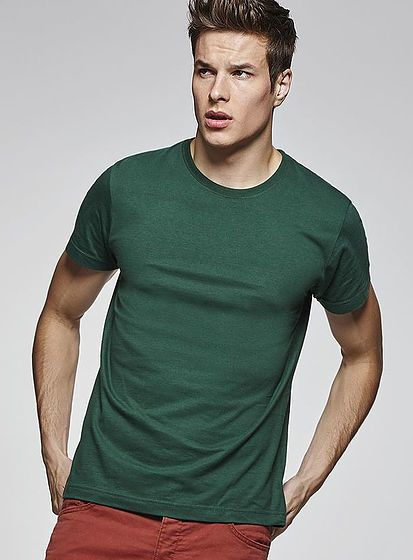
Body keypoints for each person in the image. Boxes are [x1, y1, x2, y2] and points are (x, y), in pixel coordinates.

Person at [33, 1, 383, 558]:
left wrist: (304, 483)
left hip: (227, 527)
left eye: (241, 73)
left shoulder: (324, 218)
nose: (217, 93)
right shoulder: (128, 188)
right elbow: (60, 313)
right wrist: (54, 452)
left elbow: (362, 355)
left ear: (281, 84)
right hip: (101, 508)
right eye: (205, 70)